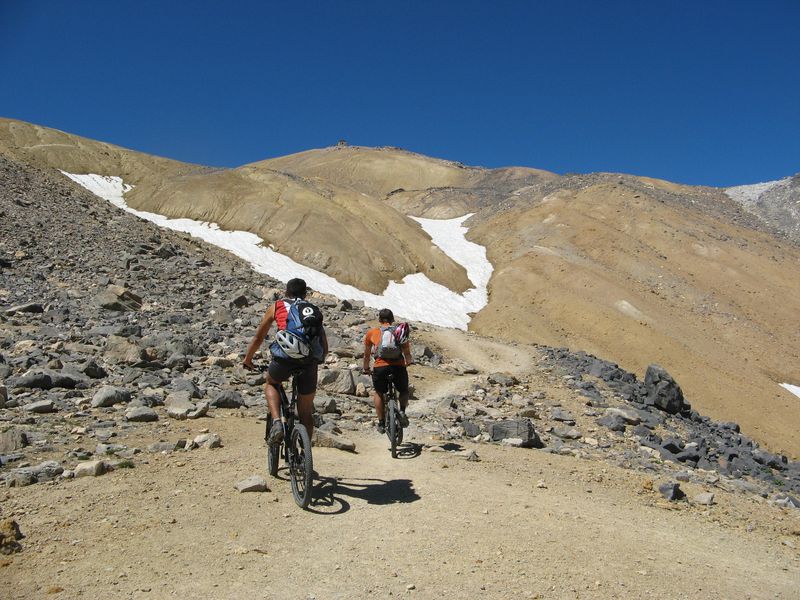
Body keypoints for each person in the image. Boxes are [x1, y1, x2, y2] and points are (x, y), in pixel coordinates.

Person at [243, 278, 328, 444]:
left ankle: (277, 423)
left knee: (272, 383)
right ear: (305, 294)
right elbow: (323, 342)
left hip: (284, 357)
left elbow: (259, 337)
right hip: (309, 361)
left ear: (286, 291)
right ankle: (304, 455)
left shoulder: (277, 306)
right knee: (305, 412)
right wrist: (320, 359)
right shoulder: (311, 310)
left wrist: (248, 359)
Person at [363, 308, 413, 434]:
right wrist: (407, 362)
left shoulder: (372, 333)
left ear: (380, 320)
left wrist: (366, 368)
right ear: (392, 320)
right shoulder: (399, 331)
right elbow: (407, 353)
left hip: (380, 367)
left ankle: (381, 422)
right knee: (403, 390)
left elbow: (367, 355)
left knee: (379, 393)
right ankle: (402, 411)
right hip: (398, 366)